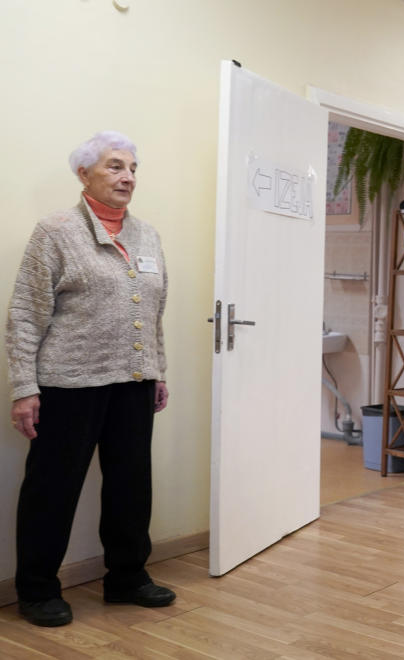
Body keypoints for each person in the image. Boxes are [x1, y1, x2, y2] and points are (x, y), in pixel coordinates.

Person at [6, 131, 175, 627]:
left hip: (133, 381)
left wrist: (156, 370)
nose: (127, 177)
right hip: (68, 384)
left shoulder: (147, 235)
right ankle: (37, 590)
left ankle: (127, 578)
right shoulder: (55, 231)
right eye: (114, 167)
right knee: (52, 489)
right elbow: (24, 314)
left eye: (133, 168)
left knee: (131, 485)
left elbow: (155, 310)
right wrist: (24, 388)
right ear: (84, 174)